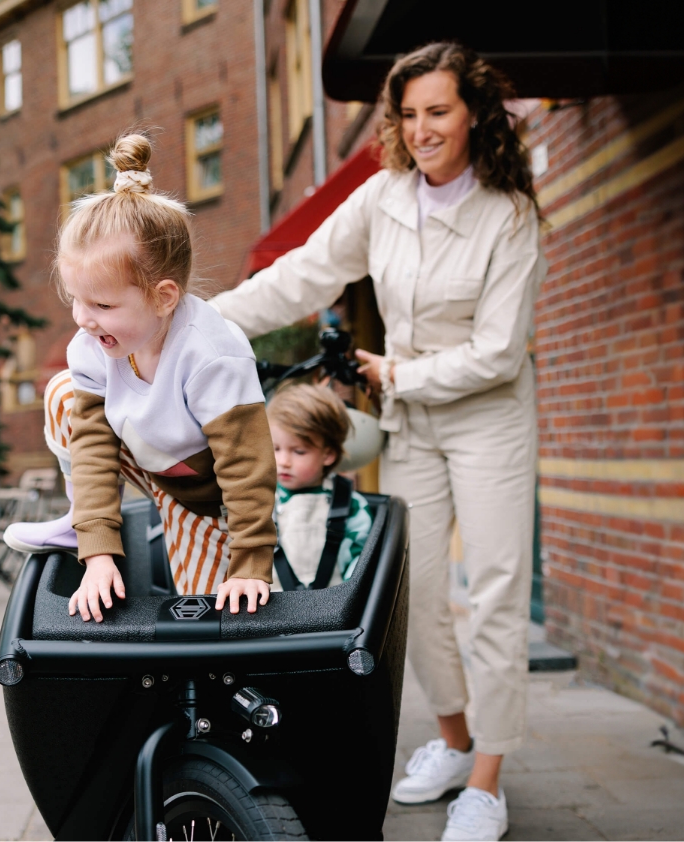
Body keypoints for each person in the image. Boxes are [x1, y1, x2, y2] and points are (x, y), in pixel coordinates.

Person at [211, 42, 545, 842]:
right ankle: (456, 741)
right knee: (417, 593)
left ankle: (488, 783)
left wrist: (395, 373)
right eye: (408, 114)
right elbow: (302, 273)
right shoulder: (383, 199)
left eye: (439, 112)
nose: (422, 129)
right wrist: (204, 321)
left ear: (473, 114)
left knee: (494, 591)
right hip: (411, 422)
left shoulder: (508, 213)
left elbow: (500, 352)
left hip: (487, 417)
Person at [4, 133, 276, 619]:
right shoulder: (93, 343)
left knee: (214, 616)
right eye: (76, 300)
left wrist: (250, 563)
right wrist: (98, 551)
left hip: (202, 496)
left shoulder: (211, 354)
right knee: (64, 394)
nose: (84, 319)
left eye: (103, 305)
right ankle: (79, 524)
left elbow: (246, 467)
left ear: (163, 297)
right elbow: (90, 443)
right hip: (145, 460)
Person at [266, 384, 373, 591]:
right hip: (269, 612)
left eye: (298, 451)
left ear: (328, 455)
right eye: (275, 449)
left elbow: (360, 565)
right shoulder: (261, 499)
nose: (283, 461)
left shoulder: (350, 505)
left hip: (333, 613)